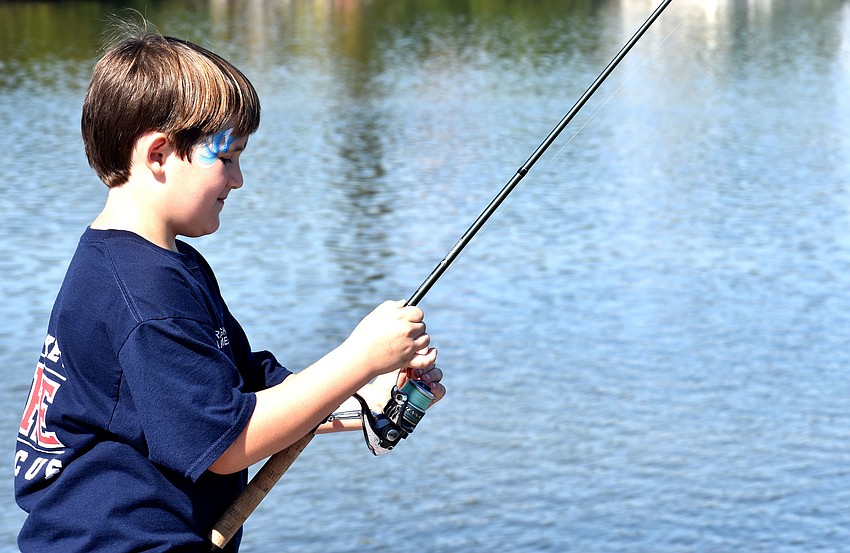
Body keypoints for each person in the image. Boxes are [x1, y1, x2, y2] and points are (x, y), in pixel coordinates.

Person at [14, 22, 444, 553]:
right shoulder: (143, 296)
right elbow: (228, 443)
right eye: (226, 157)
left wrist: (365, 396)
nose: (238, 179)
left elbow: (247, 394)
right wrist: (357, 357)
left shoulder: (166, 266)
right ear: (158, 155)